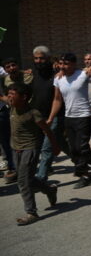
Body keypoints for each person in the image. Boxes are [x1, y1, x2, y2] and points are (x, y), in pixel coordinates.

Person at [47, 53, 91, 188]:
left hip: (84, 116)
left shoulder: (83, 74)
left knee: (82, 147)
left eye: (66, 64)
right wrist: (51, 117)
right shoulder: (58, 79)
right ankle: (86, 175)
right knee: (73, 149)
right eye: (61, 64)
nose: (63, 66)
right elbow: (57, 99)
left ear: (74, 64)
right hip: (69, 117)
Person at [7, 83, 60, 225]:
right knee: (28, 179)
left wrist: (55, 146)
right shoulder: (12, 105)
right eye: (9, 94)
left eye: (13, 94)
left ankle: (31, 212)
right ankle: (49, 190)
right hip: (15, 148)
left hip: (30, 149)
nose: (9, 96)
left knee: (23, 182)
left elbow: (47, 130)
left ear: (24, 97)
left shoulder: (33, 113)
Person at [30, 46, 68, 184]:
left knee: (47, 148)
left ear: (48, 59)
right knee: (61, 144)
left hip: (55, 116)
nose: (39, 61)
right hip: (39, 117)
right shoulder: (33, 74)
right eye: (36, 58)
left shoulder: (57, 74)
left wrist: (51, 118)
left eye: (42, 58)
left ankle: (41, 178)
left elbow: (57, 98)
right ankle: (82, 162)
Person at [0, 57, 33, 183]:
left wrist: (26, 71)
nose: (11, 68)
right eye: (8, 67)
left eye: (13, 65)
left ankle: (25, 169)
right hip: (13, 112)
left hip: (29, 112)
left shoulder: (28, 76)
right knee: (8, 142)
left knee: (28, 140)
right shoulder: (6, 79)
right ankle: (15, 168)